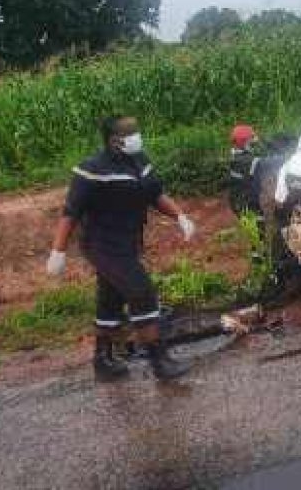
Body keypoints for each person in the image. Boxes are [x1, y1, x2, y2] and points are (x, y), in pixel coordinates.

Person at [46, 115, 197, 381]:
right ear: (114, 140)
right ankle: (159, 361)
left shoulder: (140, 162)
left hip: (128, 242)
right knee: (142, 292)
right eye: (130, 133)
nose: (136, 136)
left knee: (110, 300)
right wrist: (58, 252)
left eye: (136, 131)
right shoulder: (92, 170)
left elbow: (155, 194)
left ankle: (103, 361)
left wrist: (179, 216)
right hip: (102, 244)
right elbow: (70, 212)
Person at [228, 124, 262, 216]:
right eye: (250, 139)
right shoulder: (251, 161)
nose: (254, 141)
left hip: (236, 198)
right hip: (246, 203)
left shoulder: (234, 154)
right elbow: (266, 163)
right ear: (244, 142)